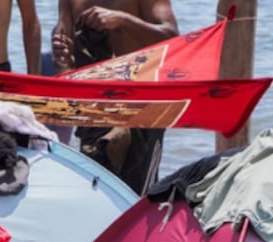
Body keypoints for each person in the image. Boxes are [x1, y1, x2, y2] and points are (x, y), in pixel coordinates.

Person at [50, 0, 180, 194]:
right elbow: (64, 63)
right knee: (97, 192)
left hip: (141, 108)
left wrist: (123, 20)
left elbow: (172, 35)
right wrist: (62, 56)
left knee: (139, 197)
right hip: (94, 110)